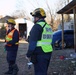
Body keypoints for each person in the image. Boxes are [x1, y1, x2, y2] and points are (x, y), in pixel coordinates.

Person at [26, 8, 53, 75]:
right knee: (43, 71)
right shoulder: (48, 26)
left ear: (38, 17)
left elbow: (33, 43)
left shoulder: (37, 26)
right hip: (48, 52)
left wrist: (28, 54)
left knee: (39, 72)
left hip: (40, 53)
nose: (33, 19)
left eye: (34, 17)